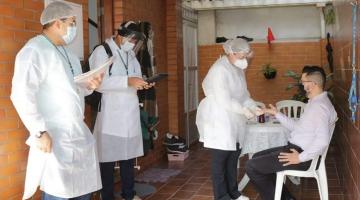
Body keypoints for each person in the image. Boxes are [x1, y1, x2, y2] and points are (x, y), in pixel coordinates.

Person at [10, 1, 103, 200]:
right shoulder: (35, 50)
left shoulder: (67, 53)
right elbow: (21, 93)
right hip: (54, 136)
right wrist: (39, 131)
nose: (74, 27)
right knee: (58, 192)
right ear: (57, 23)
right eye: (72, 22)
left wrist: (90, 86)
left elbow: (72, 90)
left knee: (82, 191)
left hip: (77, 133)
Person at [245, 66, 337, 200]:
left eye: (303, 82)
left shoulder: (319, 107)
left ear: (312, 84)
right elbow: (297, 128)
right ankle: (286, 198)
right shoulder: (315, 103)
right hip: (295, 149)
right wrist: (276, 113)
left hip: (301, 155)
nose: (301, 84)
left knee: (251, 166)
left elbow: (323, 140)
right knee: (256, 157)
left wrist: (299, 158)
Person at [89, 21, 154, 200]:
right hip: (111, 115)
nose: (133, 44)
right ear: (120, 34)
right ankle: (107, 195)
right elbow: (97, 83)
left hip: (129, 114)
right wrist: (127, 82)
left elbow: (136, 77)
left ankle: (129, 194)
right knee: (107, 159)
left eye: (135, 41)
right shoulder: (102, 51)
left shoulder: (130, 55)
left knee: (128, 157)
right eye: (131, 39)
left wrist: (144, 83)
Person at [196, 38, 263, 200]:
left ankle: (233, 192)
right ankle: (221, 195)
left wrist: (253, 107)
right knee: (221, 158)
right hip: (219, 117)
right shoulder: (220, 69)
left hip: (234, 117)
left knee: (234, 155)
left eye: (245, 57)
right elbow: (223, 98)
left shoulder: (237, 68)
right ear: (231, 53)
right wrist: (244, 111)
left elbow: (244, 95)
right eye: (241, 57)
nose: (244, 60)